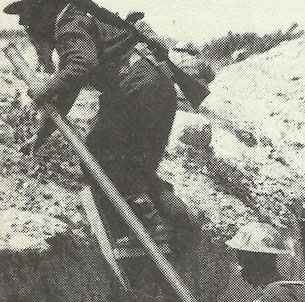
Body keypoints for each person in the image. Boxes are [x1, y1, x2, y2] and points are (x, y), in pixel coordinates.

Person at [4, 0, 186, 238]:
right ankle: (181, 222)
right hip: (159, 84)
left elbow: (82, 66)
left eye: (26, 13)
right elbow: (68, 91)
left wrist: (45, 89)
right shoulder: (79, 19)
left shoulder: (69, 23)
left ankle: (147, 227)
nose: (22, 22)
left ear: (44, 8)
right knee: (137, 167)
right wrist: (41, 135)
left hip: (136, 85)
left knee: (99, 154)